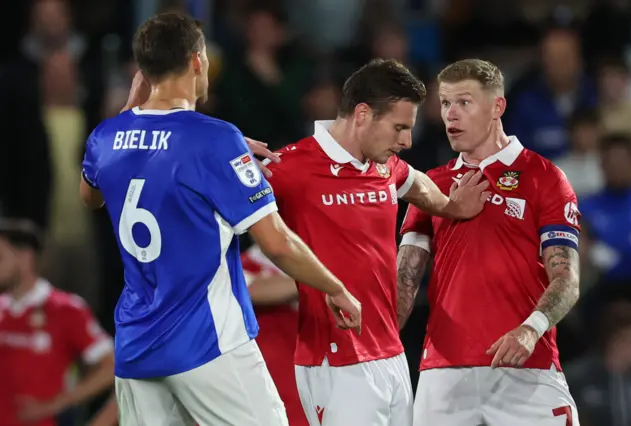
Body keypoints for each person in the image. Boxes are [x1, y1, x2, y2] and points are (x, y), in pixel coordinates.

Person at [78, 13, 362, 426]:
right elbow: (277, 241)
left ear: (143, 71)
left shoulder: (106, 136)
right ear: (197, 61)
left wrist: (126, 113)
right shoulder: (213, 138)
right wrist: (334, 287)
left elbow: (91, 196)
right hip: (206, 340)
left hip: (136, 345)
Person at [264, 58, 490, 426]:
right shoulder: (288, 167)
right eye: (399, 127)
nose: (407, 141)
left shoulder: (384, 166)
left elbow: (416, 184)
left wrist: (451, 208)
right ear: (363, 114)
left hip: (390, 353)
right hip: (335, 359)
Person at [397, 59, 582, 426]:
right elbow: (404, 279)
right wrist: (377, 347)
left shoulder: (543, 176)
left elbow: (567, 278)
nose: (451, 114)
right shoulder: (430, 185)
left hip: (527, 367)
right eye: (446, 103)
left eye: (464, 102)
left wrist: (531, 328)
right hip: (443, 376)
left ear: (497, 106)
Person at [0, 218, 114, 426]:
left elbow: (111, 367)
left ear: (26, 259)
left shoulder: (66, 309)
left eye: (0, 258)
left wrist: (59, 403)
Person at [242, 244, 308, 426]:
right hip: (257, 387)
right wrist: (319, 282)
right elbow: (252, 290)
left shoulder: (312, 264)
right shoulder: (240, 263)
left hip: (301, 389)